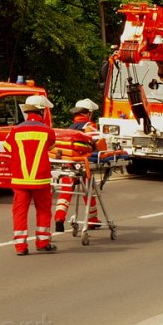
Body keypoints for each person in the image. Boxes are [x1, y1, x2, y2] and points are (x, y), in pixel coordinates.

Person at [3, 95, 57, 256]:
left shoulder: (15, 130)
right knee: (43, 210)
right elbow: (51, 147)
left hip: (20, 179)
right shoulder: (48, 131)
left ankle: (21, 246)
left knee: (19, 212)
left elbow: (7, 147)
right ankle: (42, 242)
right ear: (41, 112)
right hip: (41, 179)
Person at [54, 98, 101, 232]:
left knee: (65, 192)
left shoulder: (69, 128)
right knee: (88, 192)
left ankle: (59, 217)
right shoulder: (89, 126)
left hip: (68, 163)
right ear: (89, 113)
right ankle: (92, 220)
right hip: (82, 163)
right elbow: (96, 144)